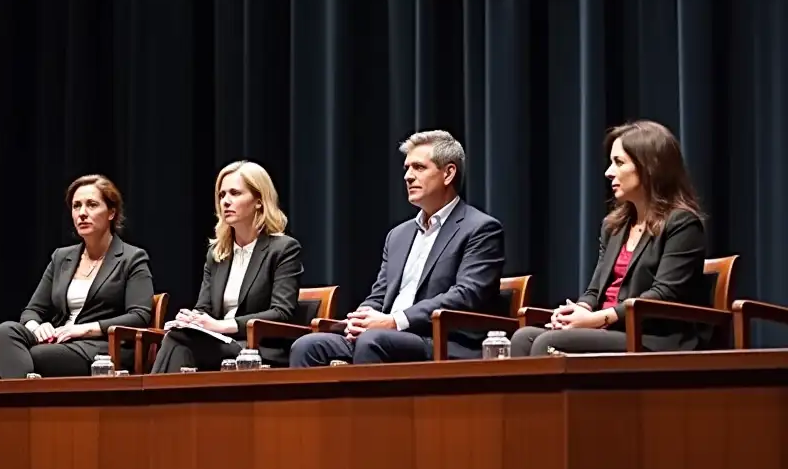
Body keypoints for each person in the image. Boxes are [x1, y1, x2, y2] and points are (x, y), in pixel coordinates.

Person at [290, 130, 505, 366]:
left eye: (419, 168)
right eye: (407, 168)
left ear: (448, 173)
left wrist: (395, 321)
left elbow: (466, 295)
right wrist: (361, 318)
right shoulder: (398, 235)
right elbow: (380, 294)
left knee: (373, 341)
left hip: (440, 339)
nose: (408, 177)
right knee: (308, 346)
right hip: (386, 333)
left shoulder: (480, 229)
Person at [510, 120, 709, 357]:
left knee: (548, 343)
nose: (608, 172)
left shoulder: (682, 224)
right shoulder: (614, 227)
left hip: (653, 338)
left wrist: (594, 320)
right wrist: (578, 311)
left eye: (619, 163)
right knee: (523, 338)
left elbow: (663, 296)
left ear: (649, 167)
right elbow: (595, 291)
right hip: (609, 329)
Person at [0, 175, 154, 377]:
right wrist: (38, 327)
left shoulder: (132, 258)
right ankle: (26, 402)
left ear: (112, 212)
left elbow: (139, 316)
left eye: (92, 205)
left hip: (101, 348)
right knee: (7, 331)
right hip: (59, 340)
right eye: (76, 206)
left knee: (32, 355)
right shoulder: (61, 258)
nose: (82, 213)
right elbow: (32, 310)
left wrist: (82, 329)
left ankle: (23, 404)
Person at [150, 160, 303, 372]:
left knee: (178, 343)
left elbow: (282, 312)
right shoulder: (218, 254)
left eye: (235, 193)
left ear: (259, 201)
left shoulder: (283, 249)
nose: (225, 202)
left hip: (256, 348)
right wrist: (192, 319)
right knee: (178, 337)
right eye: (222, 195)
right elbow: (204, 308)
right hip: (218, 344)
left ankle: (151, 402)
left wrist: (222, 326)